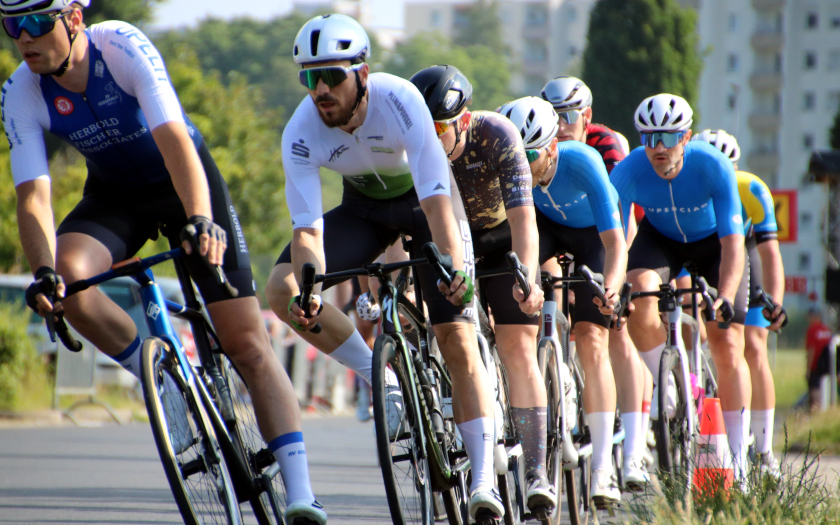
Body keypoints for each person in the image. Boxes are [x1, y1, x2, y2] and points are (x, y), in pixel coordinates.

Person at [0, 1, 324, 523]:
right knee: (70, 282)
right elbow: (33, 196)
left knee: (246, 343)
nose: (24, 38)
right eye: (12, 26)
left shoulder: (120, 46)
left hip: (184, 184)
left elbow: (174, 141)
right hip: (115, 197)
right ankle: (165, 385)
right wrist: (43, 274)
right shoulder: (20, 91)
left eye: (37, 23)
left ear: (75, 19)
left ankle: (302, 493)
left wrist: (201, 219)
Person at [263, 14, 503, 521]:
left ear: (363, 74)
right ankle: (381, 376)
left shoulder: (400, 100)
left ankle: (483, 479)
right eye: (310, 77)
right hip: (363, 211)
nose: (320, 89)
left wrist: (456, 270)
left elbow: (437, 199)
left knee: (456, 336)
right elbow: (307, 232)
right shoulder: (300, 132)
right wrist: (309, 288)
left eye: (332, 76)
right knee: (281, 289)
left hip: (425, 204)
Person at [410, 66, 550, 515]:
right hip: (450, 239)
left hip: (500, 240)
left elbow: (524, 220)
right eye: (424, 129)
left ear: (464, 120)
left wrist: (529, 279)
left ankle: (537, 470)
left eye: (439, 129)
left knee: (518, 345)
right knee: (457, 338)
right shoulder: (411, 146)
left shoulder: (496, 135)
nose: (430, 139)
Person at [610, 93, 751, 480]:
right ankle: (666, 380)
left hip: (712, 244)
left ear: (686, 137)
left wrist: (725, 296)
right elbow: (616, 240)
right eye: (649, 138)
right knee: (639, 295)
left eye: (668, 138)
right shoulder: (628, 171)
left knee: (727, 343)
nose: (658, 147)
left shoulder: (712, 165)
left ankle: (739, 459)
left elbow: (733, 244)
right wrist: (614, 288)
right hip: (661, 240)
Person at [501, 96, 628, 507]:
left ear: (552, 147)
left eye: (530, 156)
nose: (521, 166)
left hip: (593, 237)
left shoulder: (583, 162)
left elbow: (616, 244)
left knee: (592, 338)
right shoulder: (514, 171)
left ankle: (604, 468)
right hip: (545, 229)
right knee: (518, 293)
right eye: (515, 157)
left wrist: (611, 289)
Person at [539, 78, 651, 489]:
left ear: (586, 117)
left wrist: (616, 286)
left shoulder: (606, 148)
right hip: (551, 229)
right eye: (553, 116)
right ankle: (555, 373)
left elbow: (623, 224)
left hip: (602, 232)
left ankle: (632, 451)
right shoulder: (536, 148)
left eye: (569, 116)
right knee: (541, 292)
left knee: (610, 330)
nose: (560, 125)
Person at [690, 129, 787, 476]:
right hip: (703, 255)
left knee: (755, 345)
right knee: (692, 327)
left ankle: (763, 451)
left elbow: (769, 253)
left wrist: (775, 303)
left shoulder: (752, 188)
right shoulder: (687, 187)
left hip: (743, 252)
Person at [805, 307, 835, 411]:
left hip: (816, 365)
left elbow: (811, 351)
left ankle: (815, 410)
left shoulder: (812, 330)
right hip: (829, 365)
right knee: (827, 389)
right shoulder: (827, 330)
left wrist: (808, 369)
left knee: (815, 390)